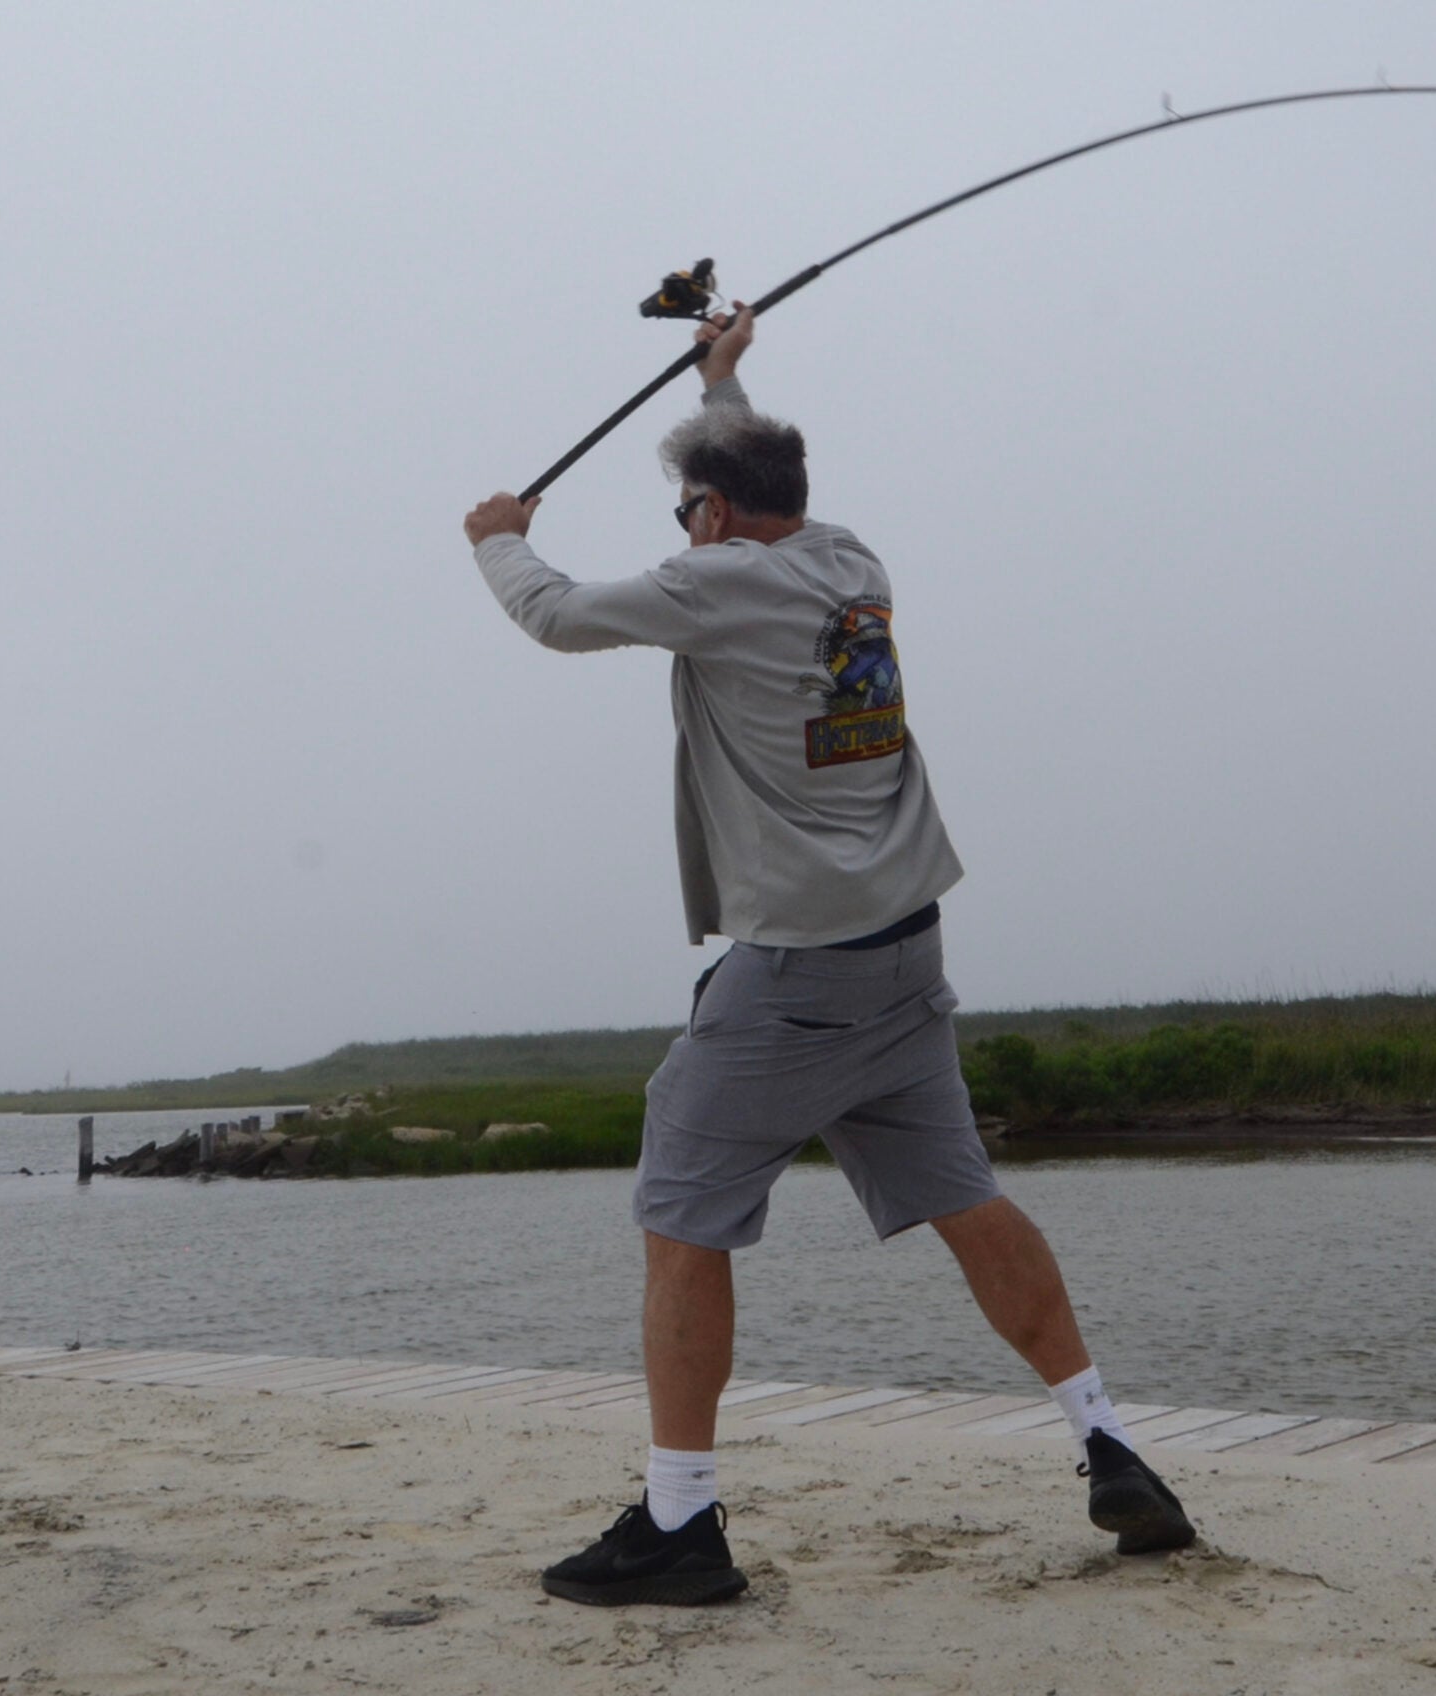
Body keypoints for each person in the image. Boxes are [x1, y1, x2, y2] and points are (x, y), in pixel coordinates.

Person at [461, 304, 1193, 1608]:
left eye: (689, 508)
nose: (682, 528)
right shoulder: (852, 559)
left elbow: (560, 618)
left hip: (798, 974)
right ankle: (1107, 1437)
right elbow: (755, 481)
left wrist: (502, 539)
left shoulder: (718, 582)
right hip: (907, 957)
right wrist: (723, 377)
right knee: (963, 1193)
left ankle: (680, 1523)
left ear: (716, 518)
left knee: (679, 1208)